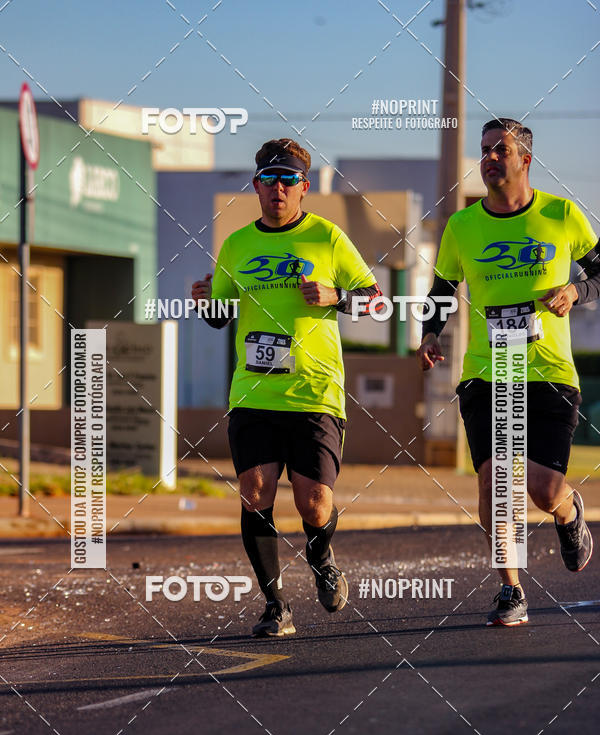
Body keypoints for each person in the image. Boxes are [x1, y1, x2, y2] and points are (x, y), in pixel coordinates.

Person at [192, 138, 382, 636]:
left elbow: (376, 302)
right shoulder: (236, 244)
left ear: (304, 186)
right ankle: (276, 606)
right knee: (255, 493)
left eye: (289, 180)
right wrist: (203, 302)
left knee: (313, 501)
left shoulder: (328, 237)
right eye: (270, 179)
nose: (279, 188)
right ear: (256, 185)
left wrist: (337, 295)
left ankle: (322, 558)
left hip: (315, 392)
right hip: (254, 393)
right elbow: (219, 318)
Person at [417, 117, 600, 627]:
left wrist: (575, 291)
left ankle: (567, 510)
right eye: (484, 150)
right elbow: (440, 290)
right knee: (497, 482)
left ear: (525, 158)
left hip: (548, 372)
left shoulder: (561, 215)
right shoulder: (462, 226)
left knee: (541, 490)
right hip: (487, 371)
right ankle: (511, 590)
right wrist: (430, 333)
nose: (491, 157)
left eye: (501, 149)